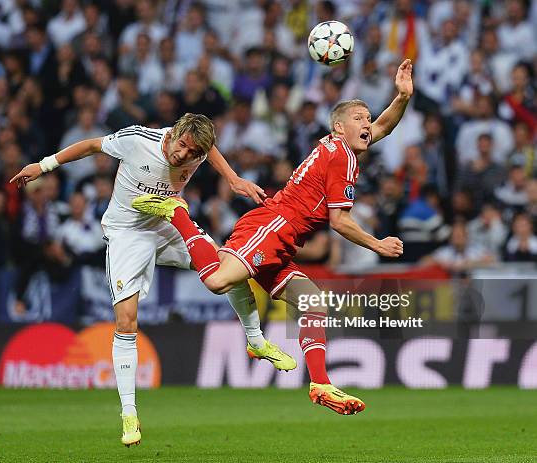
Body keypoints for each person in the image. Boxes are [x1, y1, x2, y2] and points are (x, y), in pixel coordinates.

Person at [132, 59, 414, 416]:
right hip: (272, 226)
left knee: (313, 303)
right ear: (338, 127)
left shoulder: (339, 146)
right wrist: (377, 243)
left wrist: (402, 96)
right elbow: (339, 222)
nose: (367, 123)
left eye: (367, 117)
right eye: (359, 118)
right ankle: (178, 213)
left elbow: (384, 125)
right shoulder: (341, 155)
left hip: (282, 239)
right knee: (218, 279)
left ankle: (321, 384)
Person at [9, 113, 296, 447]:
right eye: (182, 146)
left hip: (165, 225)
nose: (183, 156)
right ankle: (129, 414)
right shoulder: (138, 140)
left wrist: (233, 178)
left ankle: (255, 340)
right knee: (127, 321)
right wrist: (44, 166)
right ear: (173, 134)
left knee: (226, 269)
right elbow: (91, 146)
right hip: (127, 232)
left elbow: (210, 149)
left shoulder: (198, 149)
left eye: (192, 153)